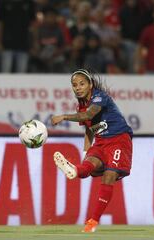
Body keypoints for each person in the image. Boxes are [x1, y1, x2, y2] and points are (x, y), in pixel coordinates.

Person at [51, 69, 133, 233]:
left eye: (82, 84)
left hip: (118, 140)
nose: (78, 88)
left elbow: (89, 116)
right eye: (74, 85)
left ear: (90, 85)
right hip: (101, 142)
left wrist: (64, 117)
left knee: (109, 175)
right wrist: (85, 153)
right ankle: (74, 169)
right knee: (87, 166)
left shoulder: (99, 96)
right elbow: (89, 130)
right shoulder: (81, 106)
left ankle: (92, 222)